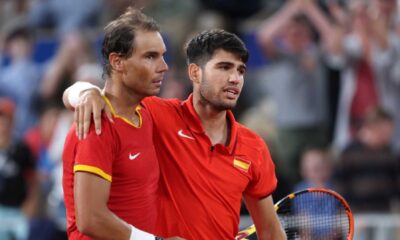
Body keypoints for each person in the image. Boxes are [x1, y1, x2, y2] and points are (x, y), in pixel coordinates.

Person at [65, 29, 286, 239]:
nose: (235, 78)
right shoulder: (157, 114)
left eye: (240, 70)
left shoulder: (254, 146)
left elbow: (270, 231)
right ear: (195, 72)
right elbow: (97, 95)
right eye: (224, 67)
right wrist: (86, 92)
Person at [62, 7, 181, 240]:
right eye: (150, 57)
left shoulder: (147, 113)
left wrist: (81, 91)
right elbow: (91, 219)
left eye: (162, 55)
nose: (163, 66)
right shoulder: (98, 125)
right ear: (117, 62)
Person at [0, 97, 37, 240]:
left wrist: (30, 204)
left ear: (12, 122)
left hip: (17, 209)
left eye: (5, 119)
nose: (2, 124)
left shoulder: (22, 150)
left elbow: (32, 179)